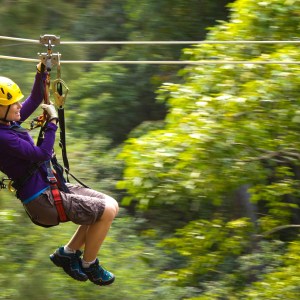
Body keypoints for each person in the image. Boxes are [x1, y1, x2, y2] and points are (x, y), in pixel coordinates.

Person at [0, 63, 119, 286]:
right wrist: (52, 122)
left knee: (110, 205)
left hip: (51, 186)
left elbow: (35, 100)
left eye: (16, 101)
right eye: (11, 103)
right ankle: (89, 264)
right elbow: (42, 153)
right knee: (106, 212)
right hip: (42, 200)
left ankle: (67, 252)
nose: (18, 106)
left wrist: (41, 72)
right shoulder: (3, 137)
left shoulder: (9, 121)